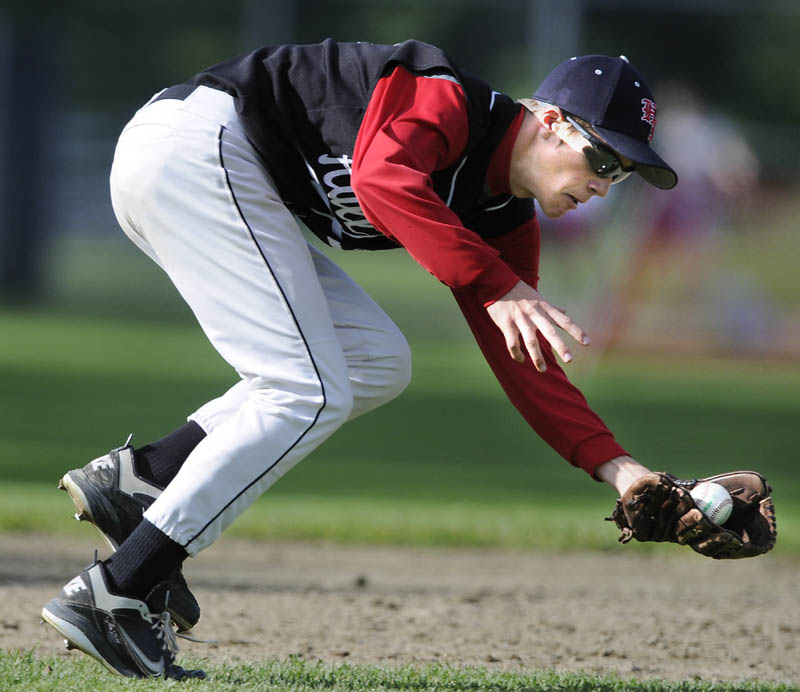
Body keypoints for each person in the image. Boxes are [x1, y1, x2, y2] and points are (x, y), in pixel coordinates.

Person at [41, 41, 679, 679]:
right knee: (307, 390)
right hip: (196, 146)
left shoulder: (501, 221)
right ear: (548, 120)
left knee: (375, 359)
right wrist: (496, 283)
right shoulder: (450, 100)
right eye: (602, 156)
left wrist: (620, 469)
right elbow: (382, 178)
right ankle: (119, 590)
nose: (603, 184)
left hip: (214, 172)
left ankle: (139, 480)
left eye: (621, 173)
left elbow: (525, 360)